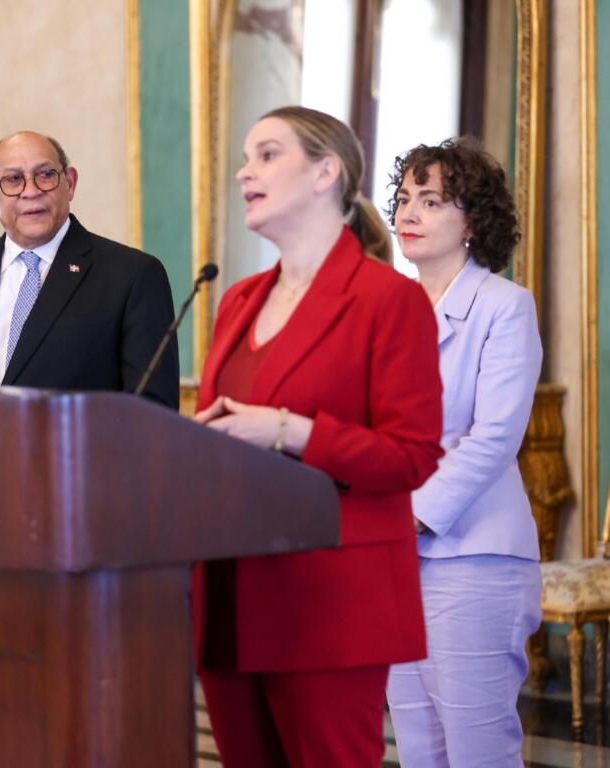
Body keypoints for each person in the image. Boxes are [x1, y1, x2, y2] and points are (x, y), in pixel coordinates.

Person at [192, 106, 444, 766]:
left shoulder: (388, 299)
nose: (245, 172)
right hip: (229, 589)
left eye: (267, 155)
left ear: (325, 172)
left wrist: (288, 430)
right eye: (245, 158)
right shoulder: (237, 299)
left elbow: (412, 456)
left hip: (329, 599)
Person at [385, 139, 542, 766]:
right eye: (404, 199)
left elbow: (495, 436)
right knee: (419, 750)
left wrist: (410, 516)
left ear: (472, 220)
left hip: (474, 555)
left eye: (430, 201)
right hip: (393, 560)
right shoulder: (389, 310)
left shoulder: (504, 306)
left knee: (478, 750)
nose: (408, 213)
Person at [0, 130, 179, 408]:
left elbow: (153, 413)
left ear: (70, 183)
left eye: (46, 175)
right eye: (13, 179)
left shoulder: (132, 276)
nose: (31, 191)